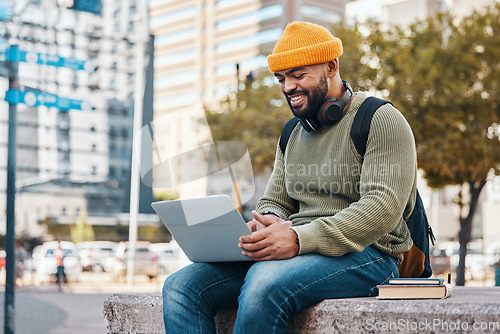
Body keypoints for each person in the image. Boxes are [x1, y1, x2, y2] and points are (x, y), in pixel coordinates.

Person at [162, 21, 416, 333]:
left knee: (263, 283)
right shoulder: (293, 132)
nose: (287, 87)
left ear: (331, 66)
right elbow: (276, 200)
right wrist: (266, 222)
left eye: (298, 75)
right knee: (181, 287)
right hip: (297, 250)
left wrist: (297, 238)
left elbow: (381, 210)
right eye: (281, 78)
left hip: (369, 255)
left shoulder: (381, 120)